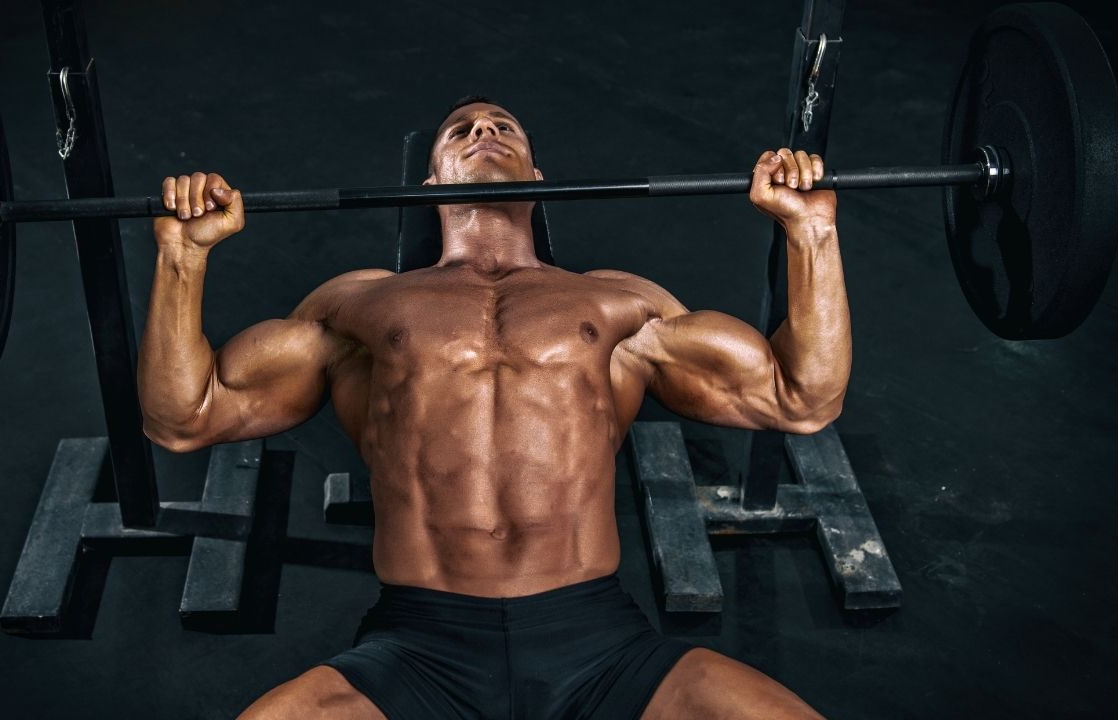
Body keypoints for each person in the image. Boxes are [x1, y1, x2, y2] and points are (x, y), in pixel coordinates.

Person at [138, 97, 845, 719]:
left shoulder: (618, 303)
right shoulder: (359, 305)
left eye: (504, 125)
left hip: (598, 641)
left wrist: (811, 233)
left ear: (538, 180)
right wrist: (182, 257)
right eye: (461, 130)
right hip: (417, 650)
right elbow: (185, 416)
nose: (484, 128)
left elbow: (801, 396)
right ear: (429, 182)